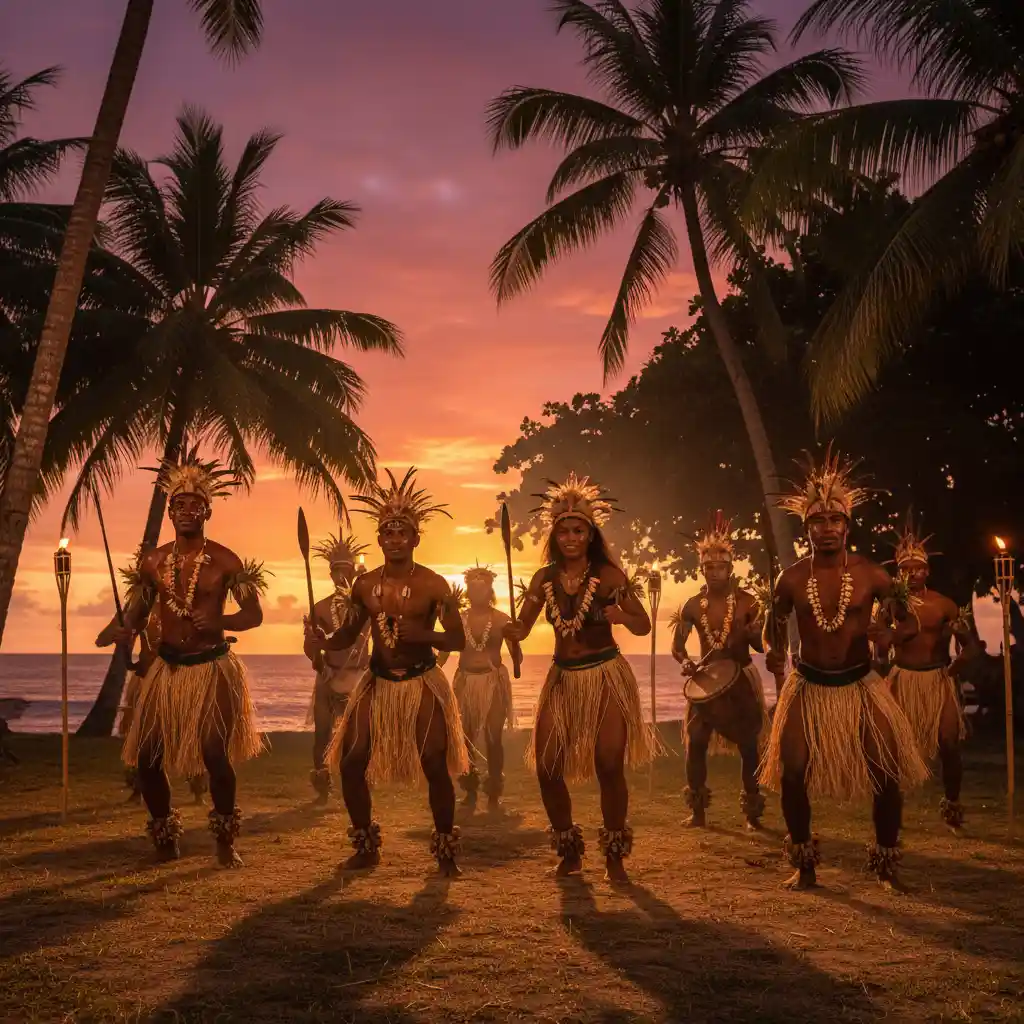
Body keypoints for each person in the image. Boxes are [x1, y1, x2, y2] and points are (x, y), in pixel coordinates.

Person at [759, 448, 929, 891]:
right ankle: (805, 865)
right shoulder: (791, 578)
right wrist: (772, 652)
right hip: (807, 683)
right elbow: (771, 630)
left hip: (859, 683)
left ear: (847, 526)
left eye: (835, 521)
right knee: (792, 774)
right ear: (807, 529)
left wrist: (890, 636)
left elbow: (908, 621)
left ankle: (887, 866)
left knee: (886, 773)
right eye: (818, 522)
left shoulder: (872, 574)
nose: (827, 528)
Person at [303, 469, 468, 876]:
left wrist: (425, 633)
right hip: (377, 682)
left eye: (402, 533)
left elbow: (458, 640)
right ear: (379, 540)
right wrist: (322, 641)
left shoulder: (434, 585)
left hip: (422, 679)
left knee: (434, 762)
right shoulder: (363, 585)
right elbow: (347, 634)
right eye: (388, 533)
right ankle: (365, 845)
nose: (395, 539)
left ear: (415, 539)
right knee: (351, 762)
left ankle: (446, 850)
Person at [108, 449, 267, 867]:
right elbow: (138, 614)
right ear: (170, 511)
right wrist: (123, 632)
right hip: (167, 669)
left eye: (196, 505)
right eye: (179, 505)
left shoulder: (226, 561)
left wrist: (220, 620)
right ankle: (164, 837)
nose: (186, 511)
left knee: (215, 753)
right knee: (147, 758)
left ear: (207, 512)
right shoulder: (154, 562)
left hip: (211, 666)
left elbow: (254, 615)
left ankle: (225, 840)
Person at [503, 473, 658, 883]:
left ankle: (614, 857)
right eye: (564, 531)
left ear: (590, 535)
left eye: (578, 530)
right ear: (554, 537)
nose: (570, 537)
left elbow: (642, 625)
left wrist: (621, 615)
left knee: (609, 764)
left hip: (605, 676)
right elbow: (523, 625)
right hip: (563, 677)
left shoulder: (609, 577)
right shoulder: (544, 579)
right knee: (548, 766)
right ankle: (570, 851)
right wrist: (512, 632)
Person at [671, 511, 770, 830]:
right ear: (701, 569)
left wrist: (754, 633)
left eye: (721, 566)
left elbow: (760, 646)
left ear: (731, 568)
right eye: (708, 567)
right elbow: (678, 646)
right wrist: (685, 661)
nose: (714, 572)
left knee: (748, 744)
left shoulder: (747, 603)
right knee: (696, 739)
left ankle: (752, 813)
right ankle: (698, 812)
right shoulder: (691, 606)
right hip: (705, 682)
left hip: (740, 677)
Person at [97, 546, 208, 805]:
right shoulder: (136, 606)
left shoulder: (186, 603)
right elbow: (102, 639)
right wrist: (120, 634)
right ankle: (140, 788)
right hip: (147, 678)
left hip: (181, 675)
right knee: (142, 737)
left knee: (190, 732)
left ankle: (198, 790)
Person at [884, 516, 973, 833]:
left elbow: (971, 645)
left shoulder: (944, 604)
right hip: (902, 678)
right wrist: (887, 640)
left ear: (927, 571)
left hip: (938, 679)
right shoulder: (891, 604)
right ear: (899, 572)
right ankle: (891, 806)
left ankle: (952, 804)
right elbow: (879, 643)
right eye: (905, 569)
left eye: (918, 569)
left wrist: (960, 661)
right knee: (892, 745)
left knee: (949, 742)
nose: (912, 574)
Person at [304, 532, 370, 802]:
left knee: (359, 736)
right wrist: (314, 651)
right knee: (322, 734)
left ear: (354, 572)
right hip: (328, 676)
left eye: (346, 571)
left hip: (358, 678)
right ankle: (322, 785)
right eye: (336, 572)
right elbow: (310, 649)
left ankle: (358, 782)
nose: (341, 577)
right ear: (331, 575)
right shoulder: (319, 608)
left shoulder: (367, 606)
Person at [453, 563, 522, 812]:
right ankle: (470, 791)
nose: (477, 593)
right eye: (473, 588)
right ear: (467, 592)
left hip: (492, 681)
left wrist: (516, 642)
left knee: (493, 737)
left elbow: (517, 657)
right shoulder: (458, 620)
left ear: (490, 590)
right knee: (467, 739)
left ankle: (493, 792)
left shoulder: (502, 620)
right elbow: (443, 651)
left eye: (482, 589)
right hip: (466, 681)